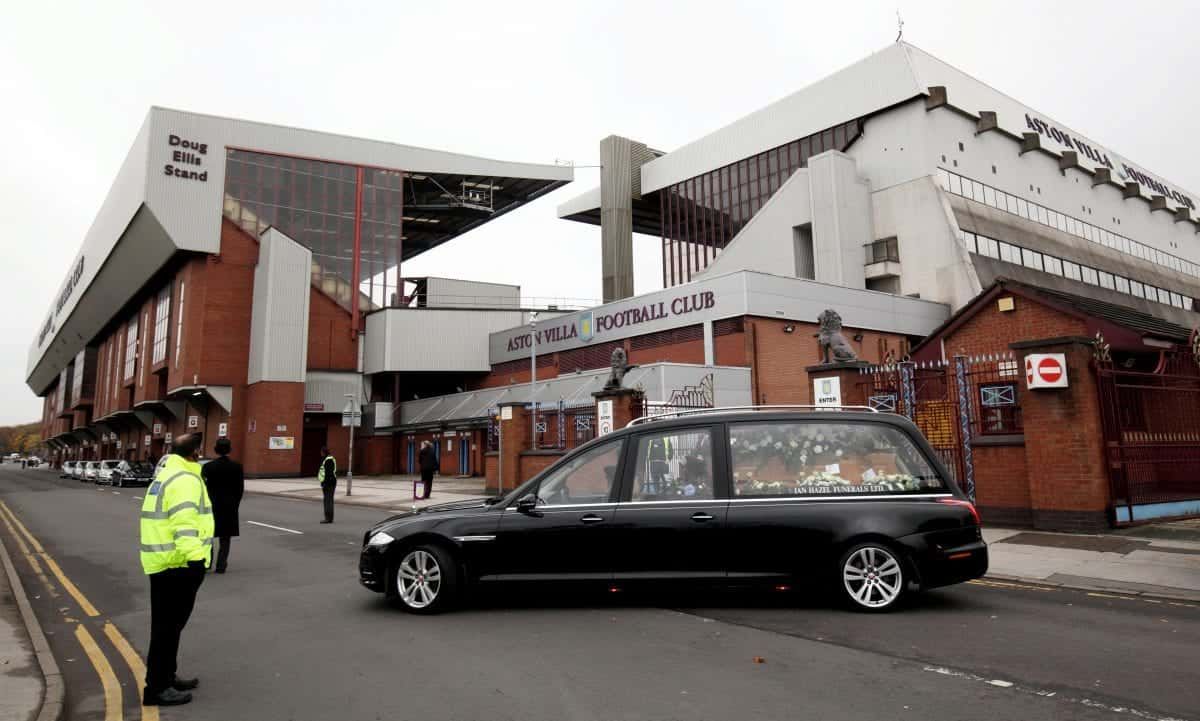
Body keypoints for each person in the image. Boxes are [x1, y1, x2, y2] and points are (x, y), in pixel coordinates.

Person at [139, 432, 213, 707]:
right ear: (195, 452)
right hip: (178, 564)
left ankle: (166, 677)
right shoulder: (184, 480)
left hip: (164, 563)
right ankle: (157, 688)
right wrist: (196, 561)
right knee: (167, 629)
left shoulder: (167, 475)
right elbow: (184, 523)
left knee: (168, 627)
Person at [200, 439, 243, 574]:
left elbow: (202, 488)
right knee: (225, 538)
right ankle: (221, 565)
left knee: (209, 536)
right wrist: (235, 504)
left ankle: (207, 563)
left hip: (211, 505)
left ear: (215, 449)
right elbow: (239, 489)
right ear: (229, 449)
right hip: (229, 506)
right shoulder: (237, 467)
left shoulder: (207, 467)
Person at [318, 447, 336, 523]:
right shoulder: (329, 459)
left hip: (328, 483)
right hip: (331, 482)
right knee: (329, 500)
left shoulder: (328, 460)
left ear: (323, 452)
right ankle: (329, 518)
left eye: (321, 452)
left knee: (327, 501)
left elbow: (328, 473)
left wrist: (325, 483)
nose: (320, 453)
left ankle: (328, 518)